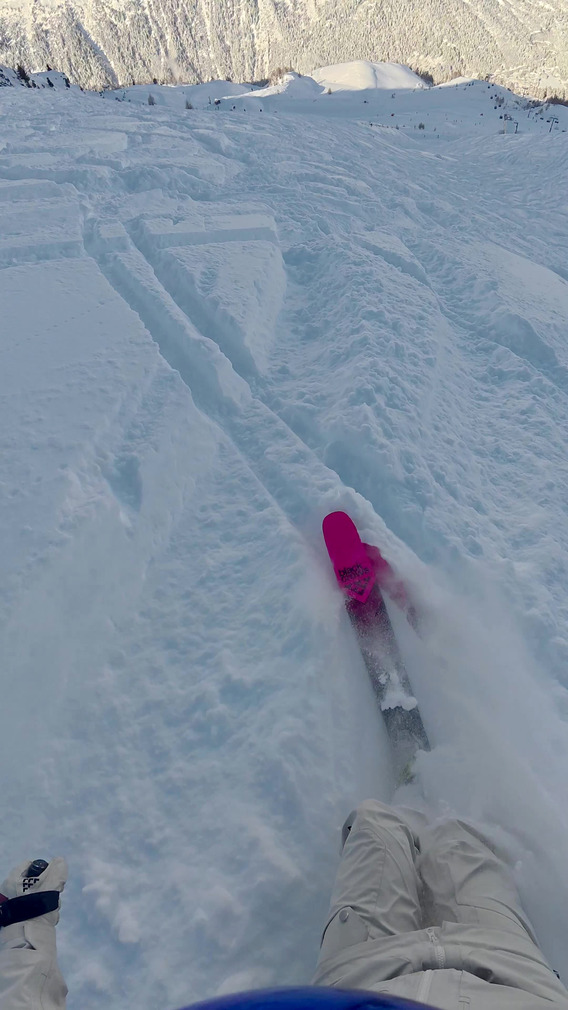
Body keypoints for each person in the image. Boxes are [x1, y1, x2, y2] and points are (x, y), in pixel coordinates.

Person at [312, 799, 568, 1008]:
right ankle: (427, 816)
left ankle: (408, 813)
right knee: (457, 839)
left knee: (372, 819)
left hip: (358, 974)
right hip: (511, 969)